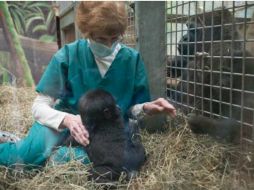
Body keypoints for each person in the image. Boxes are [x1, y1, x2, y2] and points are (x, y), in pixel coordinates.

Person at [0, 1, 176, 168]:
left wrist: (145, 108)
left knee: (77, 161)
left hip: (106, 132)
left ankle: (48, 155)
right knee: (24, 159)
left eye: (114, 38)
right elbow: (39, 107)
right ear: (86, 32)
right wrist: (67, 120)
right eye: (101, 39)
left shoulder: (132, 59)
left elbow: (129, 109)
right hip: (65, 123)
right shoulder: (68, 55)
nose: (108, 45)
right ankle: (18, 147)